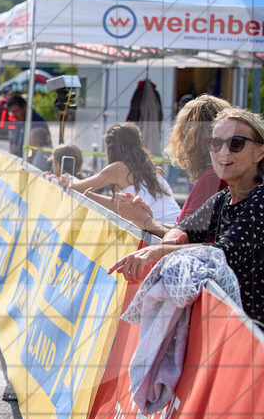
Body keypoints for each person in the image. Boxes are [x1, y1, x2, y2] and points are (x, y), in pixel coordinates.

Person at [109, 107, 264, 327]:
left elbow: (222, 252)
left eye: (236, 143)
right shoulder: (223, 197)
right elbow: (184, 229)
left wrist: (159, 250)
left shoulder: (260, 200)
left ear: (259, 152)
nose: (224, 151)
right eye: (216, 143)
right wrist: (169, 238)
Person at [115, 95, 230, 236]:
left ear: (188, 137)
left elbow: (183, 239)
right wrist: (147, 219)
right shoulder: (220, 176)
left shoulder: (212, 178)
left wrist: (142, 219)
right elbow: (182, 229)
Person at [56, 122, 180, 224]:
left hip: (157, 229)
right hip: (174, 225)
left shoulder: (118, 169)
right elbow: (117, 206)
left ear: (110, 147)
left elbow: (77, 187)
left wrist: (69, 179)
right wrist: (88, 195)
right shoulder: (149, 167)